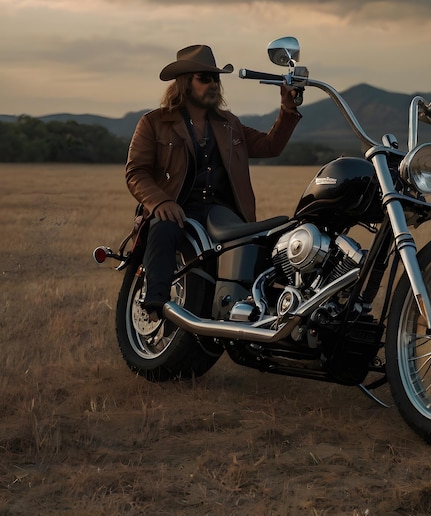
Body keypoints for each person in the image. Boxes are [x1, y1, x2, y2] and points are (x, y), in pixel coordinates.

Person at [125, 44, 301, 319]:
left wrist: (287, 110)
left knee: (263, 241)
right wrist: (160, 200)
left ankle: (272, 312)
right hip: (178, 206)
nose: (214, 84)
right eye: (205, 78)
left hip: (221, 211)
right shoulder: (154, 122)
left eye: (216, 78)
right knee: (163, 225)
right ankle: (154, 302)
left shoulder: (228, 123)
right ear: (185, 83)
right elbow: (136, 172)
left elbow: (270, 146)